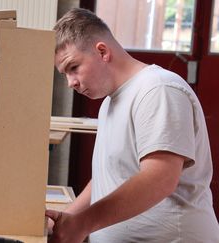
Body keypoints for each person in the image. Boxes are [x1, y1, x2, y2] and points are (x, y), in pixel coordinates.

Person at [46, 8, 219, 242]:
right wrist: (68, 218)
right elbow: (111, 175)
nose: (70, 82)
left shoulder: (158, 89)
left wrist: (83, 223)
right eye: (64, 74)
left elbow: (160, 179)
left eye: (73, 67)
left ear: (102, 51)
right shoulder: (110, 101)